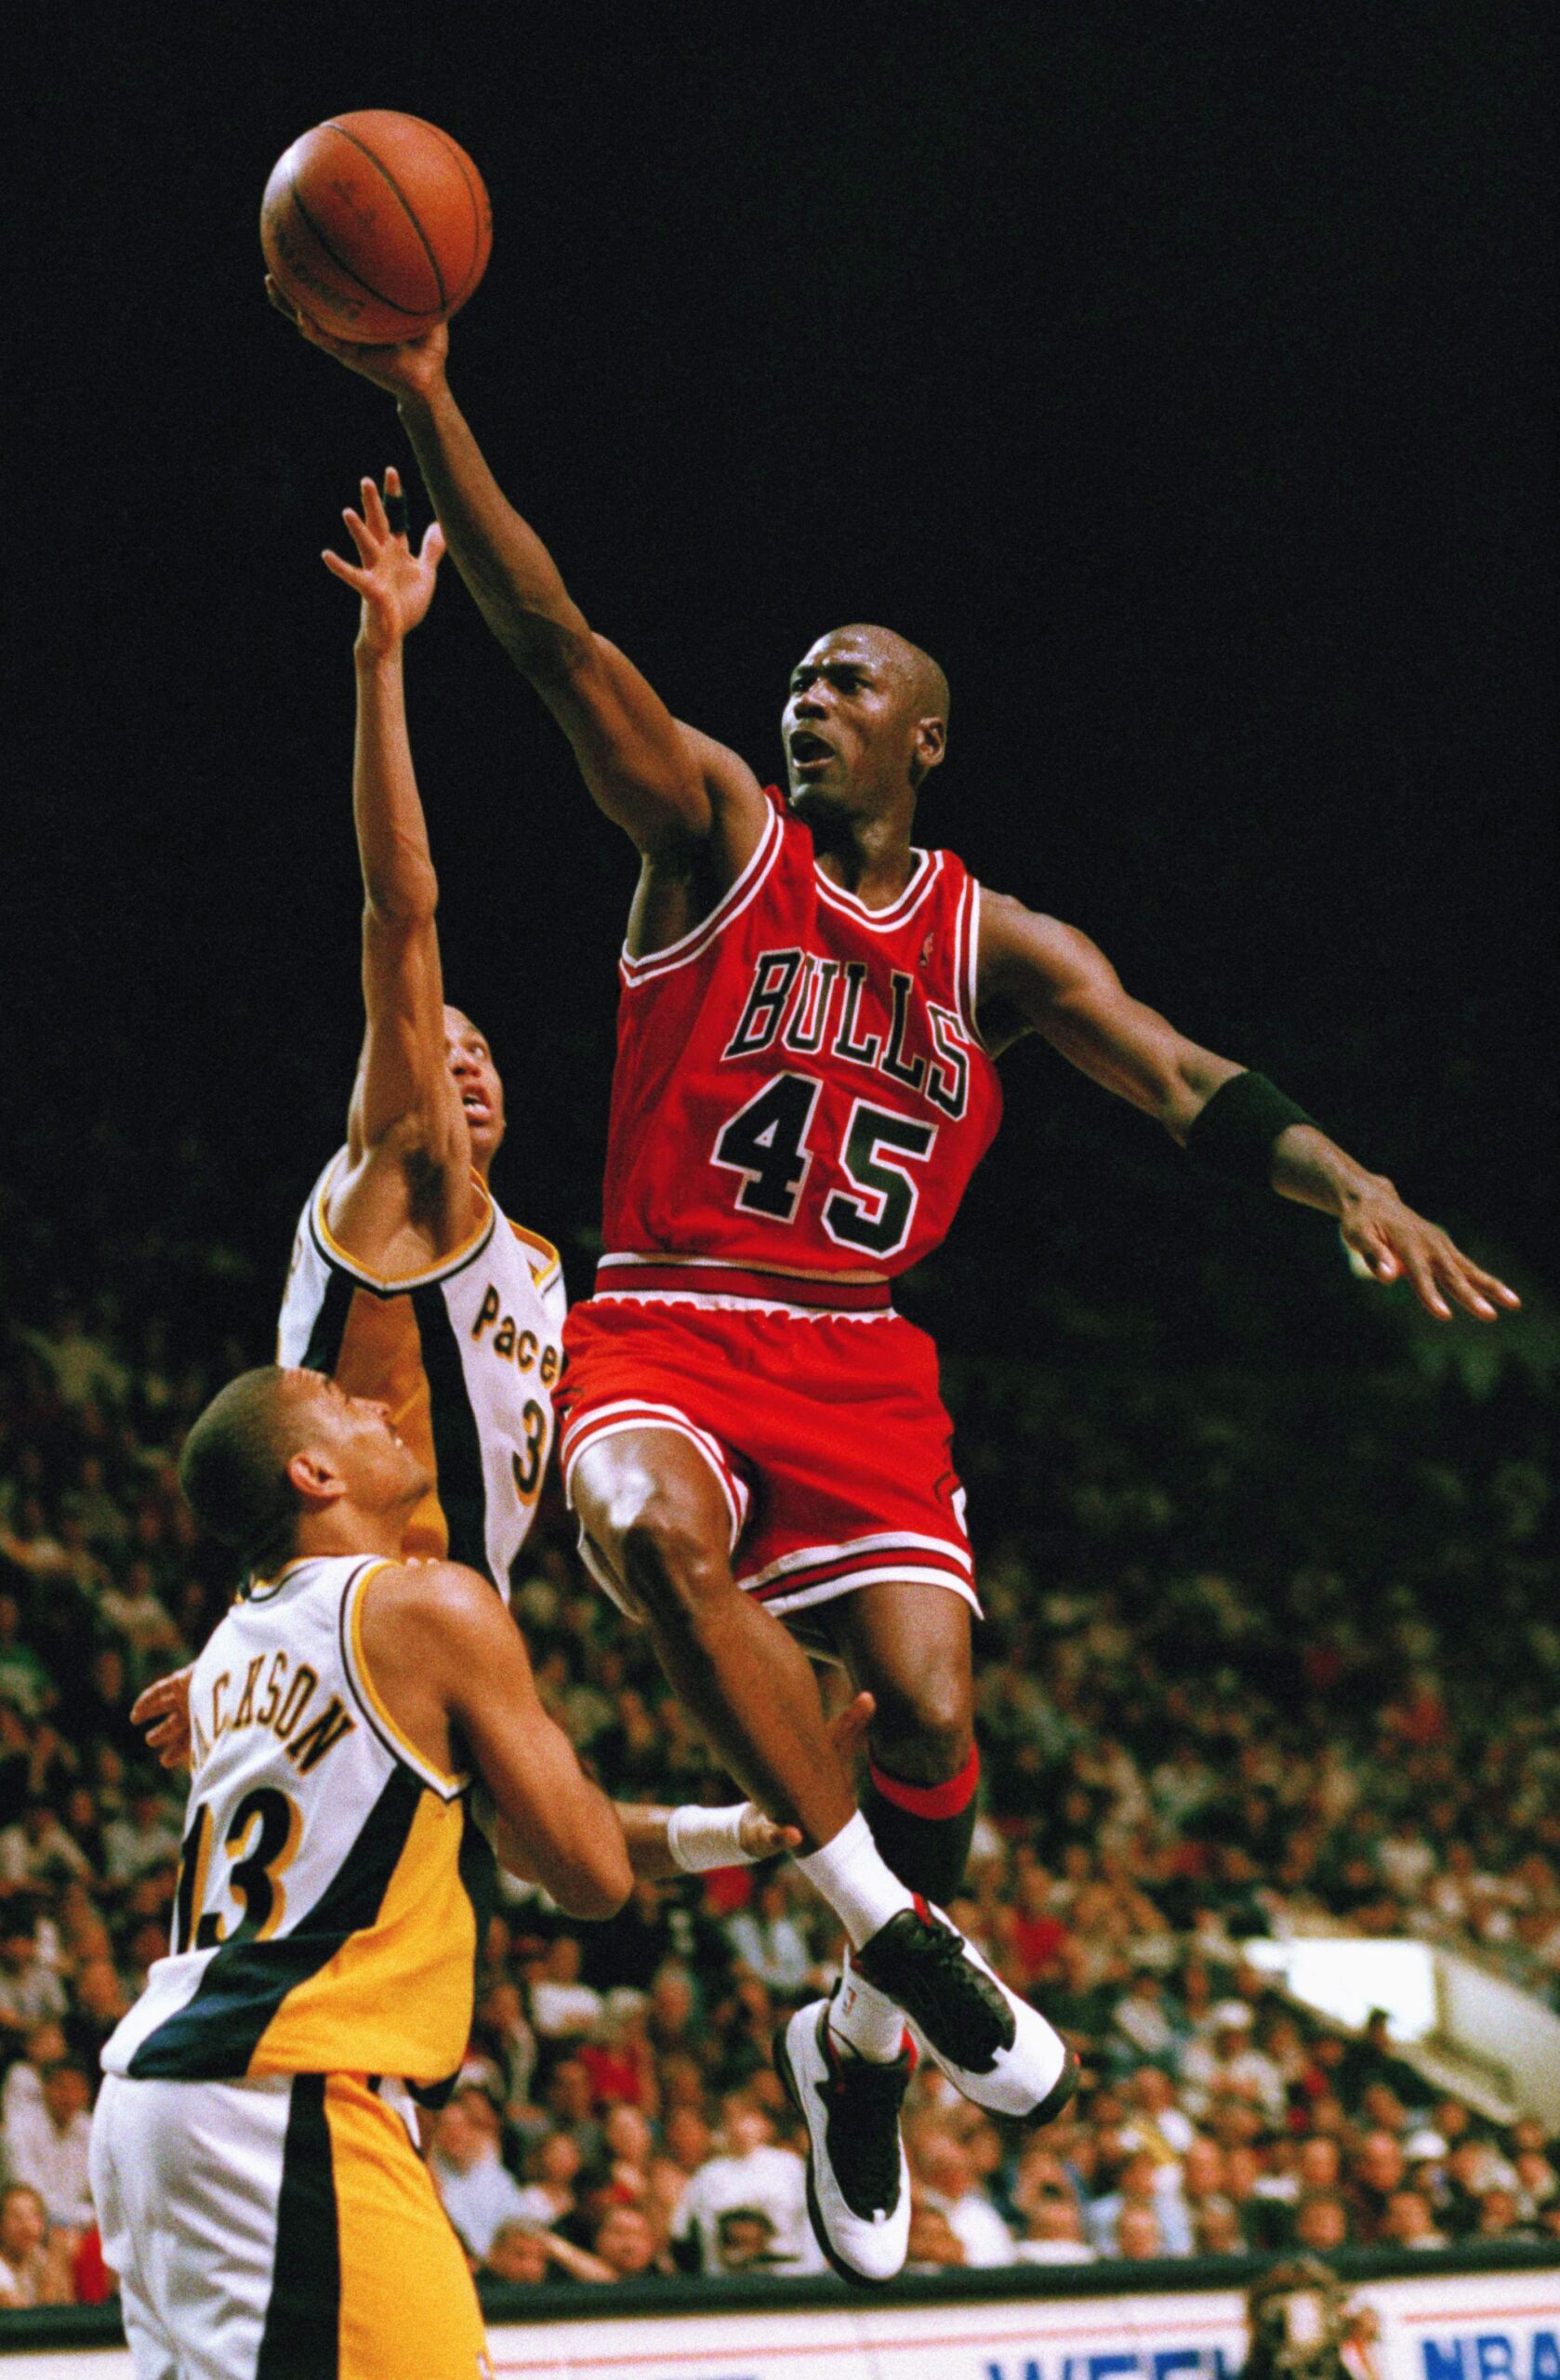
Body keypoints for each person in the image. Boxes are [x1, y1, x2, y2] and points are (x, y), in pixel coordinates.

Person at [269, 297, 1517, 2285]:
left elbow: (1180, 1077)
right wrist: (429, 394)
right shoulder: (710, 837)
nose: (808, 698)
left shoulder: (992, 945)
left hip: (857, 1350)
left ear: (923, 736)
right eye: (796, 676)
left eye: (847, 681)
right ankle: (903, 1942)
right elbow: (552, 637)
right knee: (636, 1524)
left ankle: (853, 2036)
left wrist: (1347, 1180)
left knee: (931, 1711)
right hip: (670, 1307)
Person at [89, 1362, 639, 2377]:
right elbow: (591, 1871)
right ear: (314, 1474)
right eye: (346, 1406)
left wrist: (750, 1828)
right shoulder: (428, 1606)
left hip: (166, 2098)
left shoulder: (233, 1644)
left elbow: (521, 1833)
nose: (382, 1407)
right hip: (290, 2097)